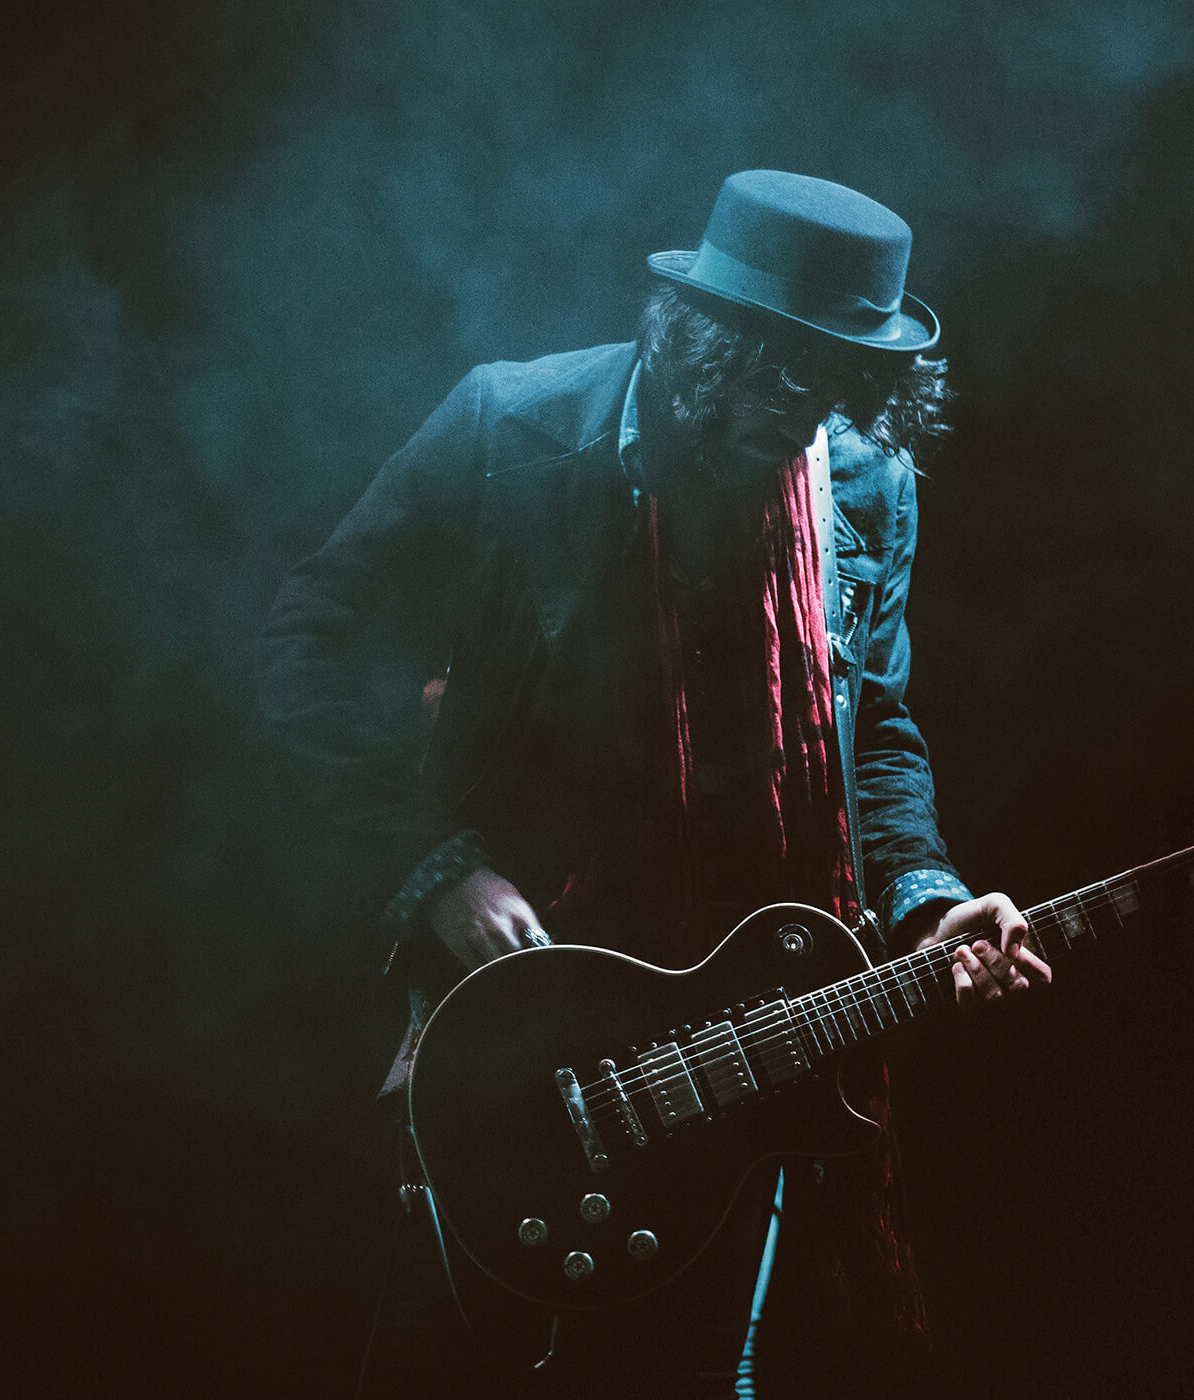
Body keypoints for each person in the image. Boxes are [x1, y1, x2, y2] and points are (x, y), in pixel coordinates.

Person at [256, 170, 1050, 1396]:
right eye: (777, 371)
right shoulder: (511, 427)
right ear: (696, 332)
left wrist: (925, 900)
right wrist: (439, 868)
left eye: (837, 381)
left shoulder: (863, 484)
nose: (802, 410)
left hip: (735, 1024)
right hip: (514, 1007)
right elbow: (308, 646)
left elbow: (875, 727)